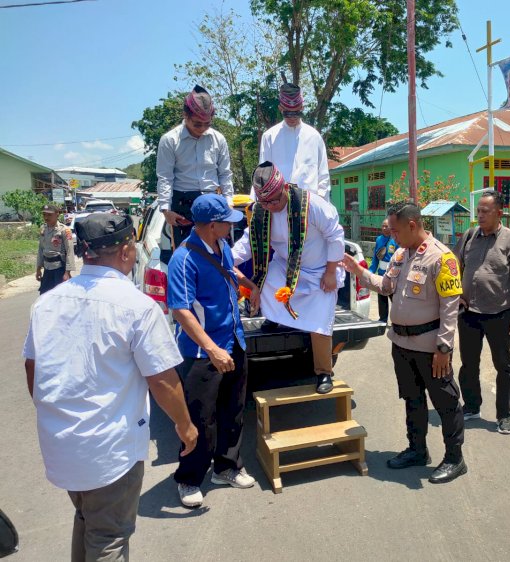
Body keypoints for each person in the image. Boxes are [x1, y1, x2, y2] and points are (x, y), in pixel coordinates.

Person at [23, 212, 198, 561]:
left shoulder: (47, 302)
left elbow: (34, 369)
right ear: (126, 249)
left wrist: (58, 415)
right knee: (109, 538)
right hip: (108, 454)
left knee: (89, 520)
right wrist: (185, 425)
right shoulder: (137, 307)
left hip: (61, 446)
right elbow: (162, 380)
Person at [341, 202, 467, 484]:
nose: (392, 235)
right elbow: (386, 287)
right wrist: (358, 271)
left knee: (446, 403)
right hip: (402, 344)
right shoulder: (400, 254)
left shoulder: (441, 258)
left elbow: (450, 306)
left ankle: (455, 458)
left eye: (396, 230)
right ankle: (417, 449)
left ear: (412, 225)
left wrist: (444, 347)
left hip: (431, 347)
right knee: (412, 399)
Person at [167, 194, 254, 508]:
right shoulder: (184, 259)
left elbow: (231, 273)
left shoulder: (223, 246)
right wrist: (212, 349)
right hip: (204, 353)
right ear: (213, 225)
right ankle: (189, 479)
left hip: (234, 341)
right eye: (227, 221)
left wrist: (252, 286)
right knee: (200, 419)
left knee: (233, 410)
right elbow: (180, 310)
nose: (233, 225)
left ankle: (227, 467)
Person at [232, 162, 344, 394]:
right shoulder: (260, 211)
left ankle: (323, 372)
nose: (270, 206)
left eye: (274, 200)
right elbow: (247, 242)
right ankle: (275, 317)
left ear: (284, 188)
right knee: (265, 279)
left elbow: (335, 235)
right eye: (264, 202)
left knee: (320, 319)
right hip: (286, 268)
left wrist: (331, 272)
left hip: (320, 272)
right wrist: (226, 259)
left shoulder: (312, 204)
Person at [453, 191, 510, 435]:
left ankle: (504, 415)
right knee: (468, 364)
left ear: (499, 213)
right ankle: (472, 406)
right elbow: (455, 266)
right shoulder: (469, 236)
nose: (480, 215)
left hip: (499, 314)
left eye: (485, 211)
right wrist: (456, 292)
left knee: (503, 366)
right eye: (478, 211)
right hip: (469, 312)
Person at [156, 85, 234, 248]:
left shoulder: (218, 139)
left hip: (212, 200)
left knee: (218, 251)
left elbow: (225, 174)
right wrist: (165, 210)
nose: (202, 128)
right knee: (186, 253)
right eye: (197, 124)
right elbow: (165, 177)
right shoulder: (170, 140)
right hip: (182, 204)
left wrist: (228, 202)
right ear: (185, 115)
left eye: (207, 124)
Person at [257, 81, 330, 201]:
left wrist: (321, 204)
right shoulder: (269, 137)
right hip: (279, 207)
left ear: (302, 107)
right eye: (287, 113)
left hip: (311, 207)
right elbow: (263, 176)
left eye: (296, 113)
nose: (292, 118)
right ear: (280, 108)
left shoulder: (314, 136)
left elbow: (323, 177)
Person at [36, 203, 75, 294]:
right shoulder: (43, 229)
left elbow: (70, 251)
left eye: (49, 215)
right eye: (44, 214)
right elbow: (41, 249)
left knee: (60, 295)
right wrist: (38, 269)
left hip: (59, 268)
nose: (46, 217)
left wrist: (67, 272)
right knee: (44, 295)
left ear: (57, 214)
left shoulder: (64, 230)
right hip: (47, 268)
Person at [369, 219, 399, 322]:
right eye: (383, 226)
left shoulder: (396, 240)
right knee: (381, 298)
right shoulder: (379, 239)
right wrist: (371, 271)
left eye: (387, 226)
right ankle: (383, 319)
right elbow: (375, 257)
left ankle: (397, 320)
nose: (384, 228)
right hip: (381, 274)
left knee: (394, 298)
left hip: (392, 275)